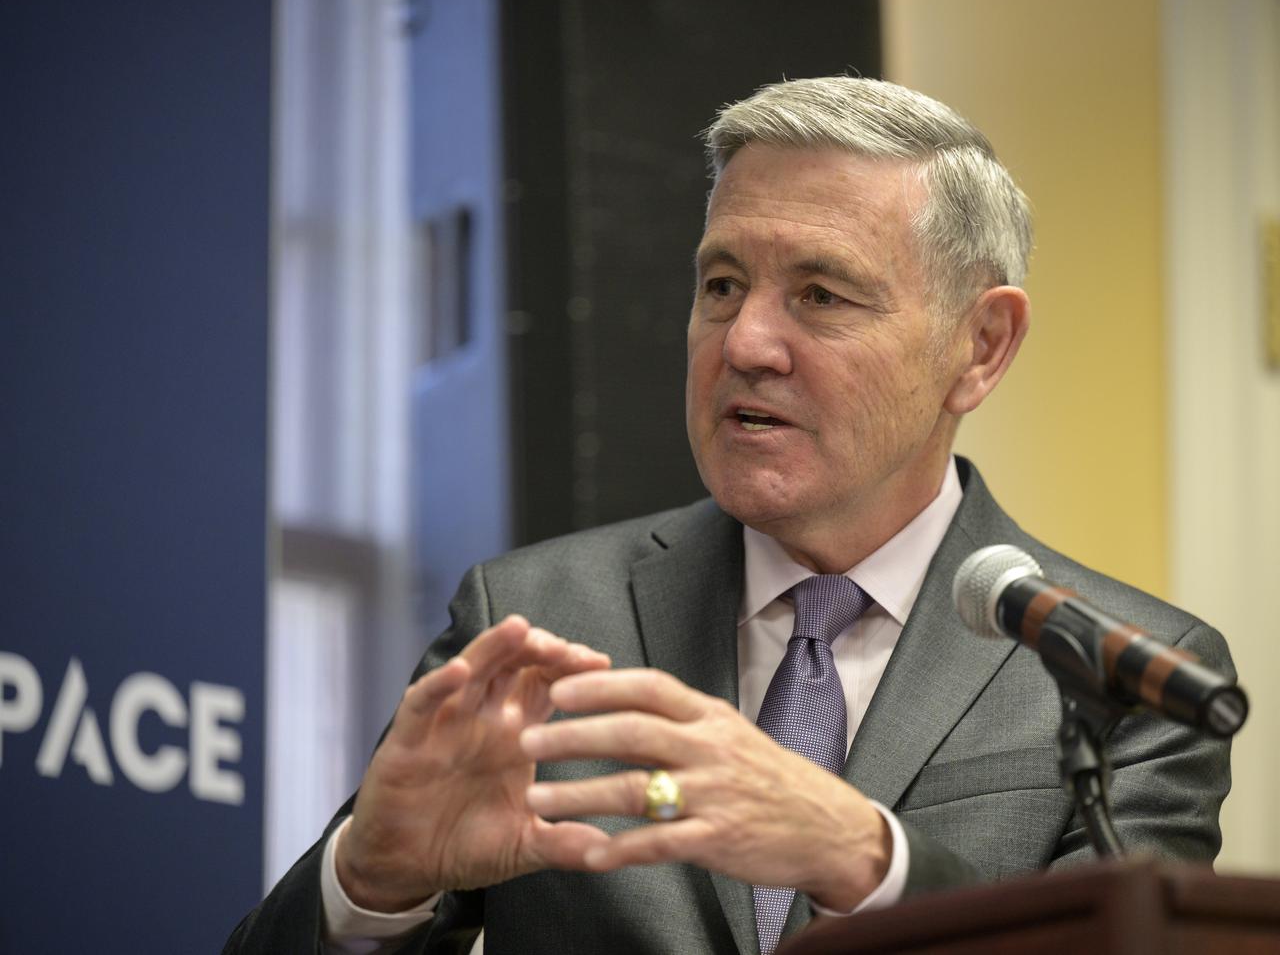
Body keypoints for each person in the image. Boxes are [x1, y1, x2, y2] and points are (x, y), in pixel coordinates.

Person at [225, 76, 1233, 955]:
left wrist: (862, 860)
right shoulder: (534, 619)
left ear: (979, 348)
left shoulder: (1117, 677)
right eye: (720, 284)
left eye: (821, 295)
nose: (744, 341)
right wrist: (372, 884)